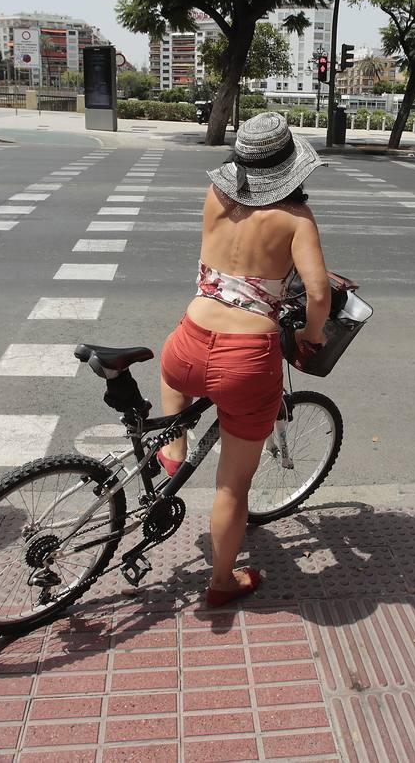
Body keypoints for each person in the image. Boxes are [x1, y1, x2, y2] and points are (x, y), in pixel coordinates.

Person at [157, 112, 330, 606]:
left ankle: (173, 446)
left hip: (190, 340)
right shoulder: (296, 219)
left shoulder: (216, 196)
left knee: (171, 377)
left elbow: (233, 267)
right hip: (247, 359)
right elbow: (316, 292)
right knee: (232, 487)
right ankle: (222, 582)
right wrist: (311, 337)